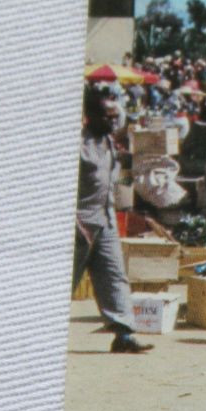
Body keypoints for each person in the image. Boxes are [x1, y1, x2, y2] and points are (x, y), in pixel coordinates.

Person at [75, 86, 151, 353]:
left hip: (105, 220)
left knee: (114, 276)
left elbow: (123, 120)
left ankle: (123, 334)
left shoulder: (109, 140)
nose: (112, 121)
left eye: (113, 116)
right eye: (106, 116)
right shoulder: (78, 145)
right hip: (79, 224)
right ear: (90, 116)